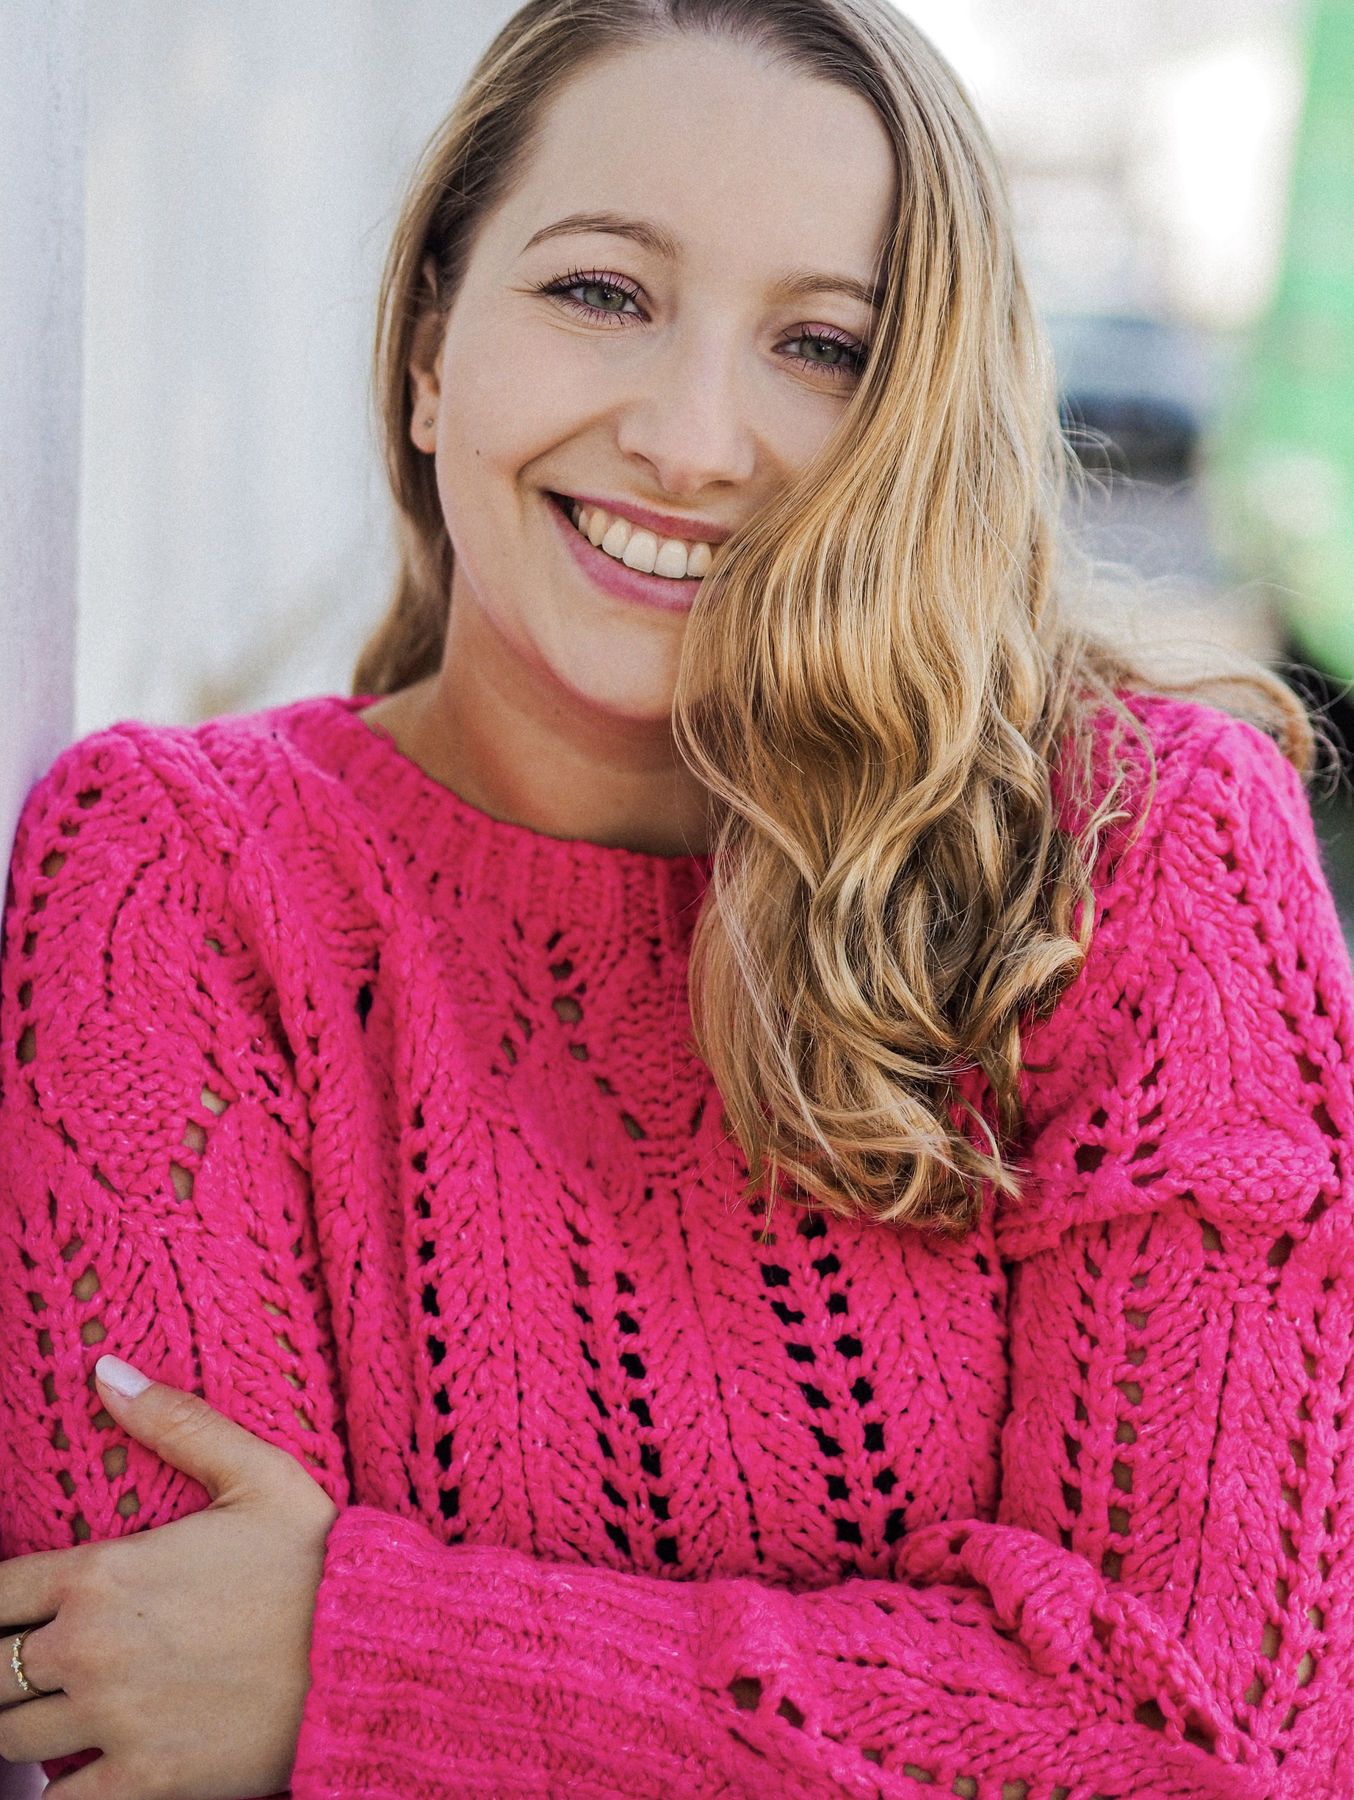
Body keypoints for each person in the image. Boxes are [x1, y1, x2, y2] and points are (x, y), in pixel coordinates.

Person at [1, 1, 1352, 1794]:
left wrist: (371, 1665)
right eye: (599, 292)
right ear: (428, 347)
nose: (694, 440)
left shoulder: (1136, 855)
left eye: (821, 344)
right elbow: (158, 1698)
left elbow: (1213, 1741)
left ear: (919, 422)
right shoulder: (179, 881)